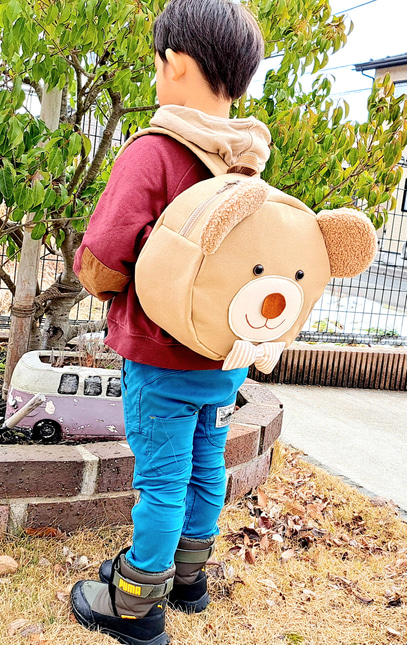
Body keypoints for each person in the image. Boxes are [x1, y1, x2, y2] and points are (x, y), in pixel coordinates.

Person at [70, 1, 271, 643]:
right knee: (207, 465)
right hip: (223, 360)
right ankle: (189, 578)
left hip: (160, 361)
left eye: (158, 65)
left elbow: (102, 257)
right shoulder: (249, 166)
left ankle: (134, 602)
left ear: (175, 63)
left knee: (160, 481)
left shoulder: (154, 154)